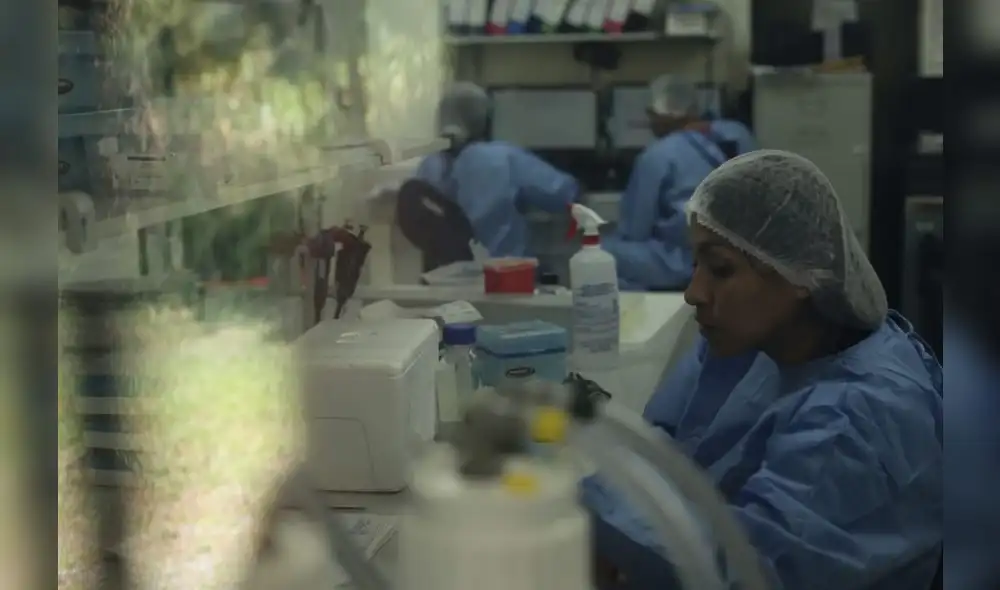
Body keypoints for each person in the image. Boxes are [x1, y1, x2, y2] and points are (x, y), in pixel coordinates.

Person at [582, 150, 943, 590]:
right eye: (696, 264)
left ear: (799, 275)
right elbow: (665, 450)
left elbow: (748, 573)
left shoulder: (859, 420)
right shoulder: (750, 339)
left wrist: (590, 503)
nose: (694, 293)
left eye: (720, 269)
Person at [604, 75, 756, 292]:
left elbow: (636, 229)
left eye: (651, 114)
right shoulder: (738, 133)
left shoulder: (658, 155)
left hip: (688, 262)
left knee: (602, 252)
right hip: (746, 253)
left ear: (660, 116)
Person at [409, 82, 581, 258]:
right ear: (485, 119)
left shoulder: (428, 165)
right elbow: (563, 194)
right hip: (500, 279)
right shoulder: (501, 157)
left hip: (441, 280)